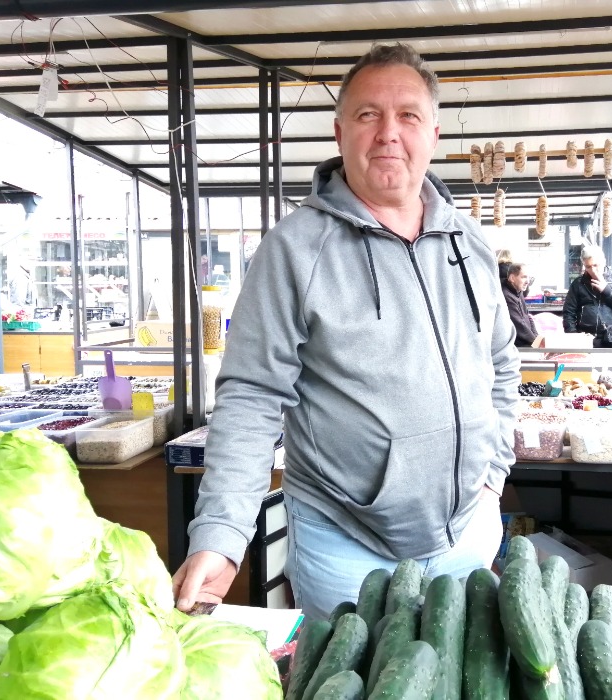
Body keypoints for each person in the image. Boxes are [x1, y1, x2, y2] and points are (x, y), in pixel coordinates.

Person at [173, 44, 519, 621]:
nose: (388, 133)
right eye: (367, 115)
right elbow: (252, 397)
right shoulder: (293, 250)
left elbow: (502, 364)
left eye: (408, 116)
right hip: (347, 546)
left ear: (433, 134)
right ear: (339, 133)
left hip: (467, 534)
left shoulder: (470, 243)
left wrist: (492, 475)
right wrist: (222, 531)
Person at [562, 247, 612, 347]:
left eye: (595, 265)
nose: (593, 270)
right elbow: (569, 312)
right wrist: (573, 336)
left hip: (611, 338)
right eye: (588, 267)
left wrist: (607, 290)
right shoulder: (578, 283)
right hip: (584, 338)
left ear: (603, 262)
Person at [502, 263, 538, 347]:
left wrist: (536, 337)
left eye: (529, 277)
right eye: (524, 277)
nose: (528, 282)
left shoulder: (518, 290)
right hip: (515, 347)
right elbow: (519, 325)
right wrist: (536, 342)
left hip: (525, 343)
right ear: (512, 278)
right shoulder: (506, 296)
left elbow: (527, 315)